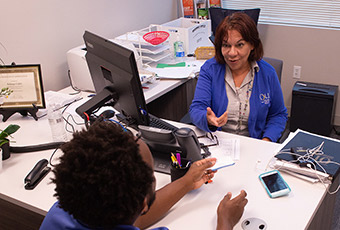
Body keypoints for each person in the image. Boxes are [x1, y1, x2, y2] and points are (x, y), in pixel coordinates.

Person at [40, 121, 247, 230]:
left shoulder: (58, 214)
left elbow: (127, 219)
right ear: (143, 205)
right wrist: (225, 223)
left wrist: (186, 182)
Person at [189, 12, 288, 142]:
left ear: (252, 45)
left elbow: (278, 115)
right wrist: (208, 119)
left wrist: (266, 141)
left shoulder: (268, 73)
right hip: (217, 143)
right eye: (226, 45)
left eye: (239, 45)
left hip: (254, 143)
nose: (232, 53)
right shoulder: (210, 69)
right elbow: (197, 108)